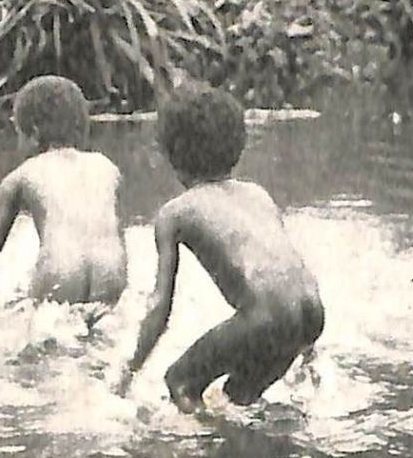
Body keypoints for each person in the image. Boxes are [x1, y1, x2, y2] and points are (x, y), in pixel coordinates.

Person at [116, 84, 324, 412]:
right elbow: (289, 269)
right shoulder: (257, 194)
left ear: (170, 153)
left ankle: (205, 456)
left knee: (179, 382)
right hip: (312, 312)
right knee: (237, 399)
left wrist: (128, 373)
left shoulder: (175, 213)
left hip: (265, 318)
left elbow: (160, 308)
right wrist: (308, 351)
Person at [0, 75, 127, 311]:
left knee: (32, 327)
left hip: (58, 274)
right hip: (111, 273)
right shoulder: (108, 168)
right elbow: (118, 235)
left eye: (18, 134)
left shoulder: (20, 177)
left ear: (33, 133)